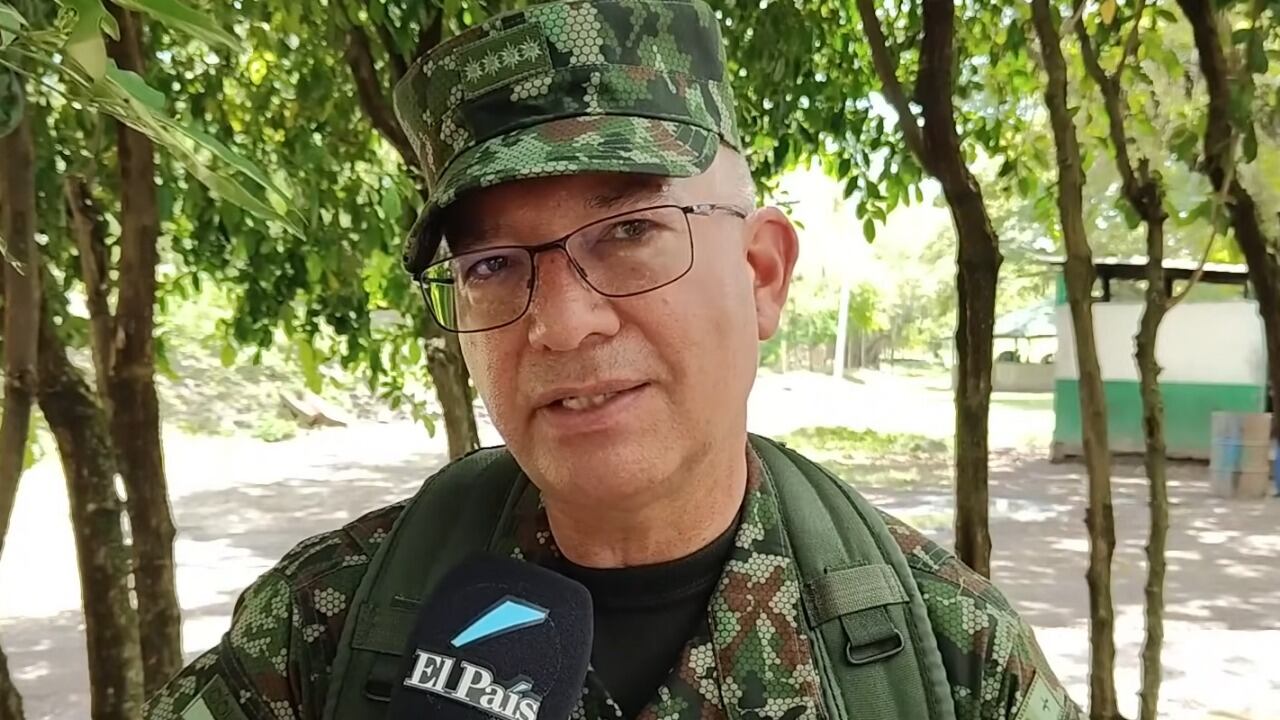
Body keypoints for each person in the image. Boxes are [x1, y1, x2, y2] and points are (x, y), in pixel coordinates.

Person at [144, 0, 1084, 718]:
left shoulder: (952, 659)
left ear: (761, 274)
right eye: (492, 265)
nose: (561, 325)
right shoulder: (327, 625)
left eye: (630, 231)